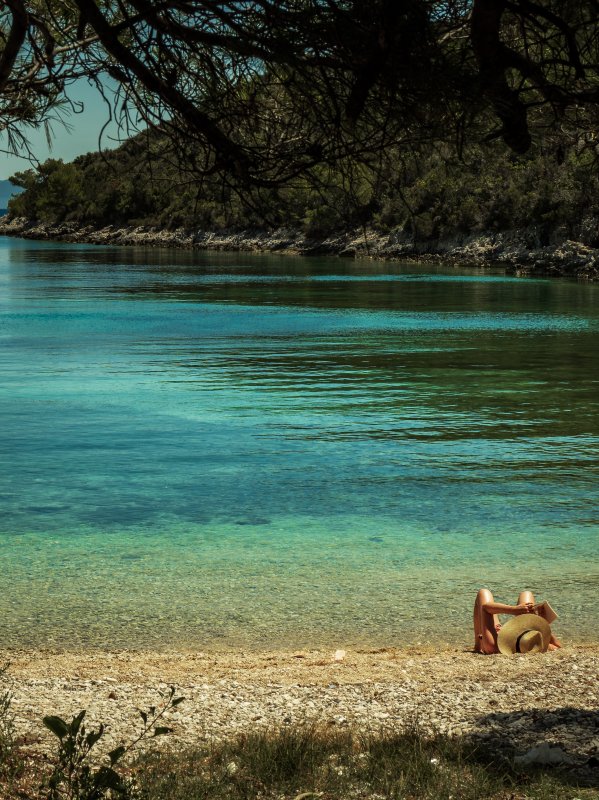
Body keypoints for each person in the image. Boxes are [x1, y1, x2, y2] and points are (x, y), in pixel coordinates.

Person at [473, 588, 562, 654]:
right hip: (515, 639)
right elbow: (558, 646)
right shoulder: (537, 646)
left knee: (484, 592)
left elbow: (485, 607)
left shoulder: (493, 646)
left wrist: (514, 609)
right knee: (526, 594)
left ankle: (478, 645)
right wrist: (542, 621)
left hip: (496, 636)